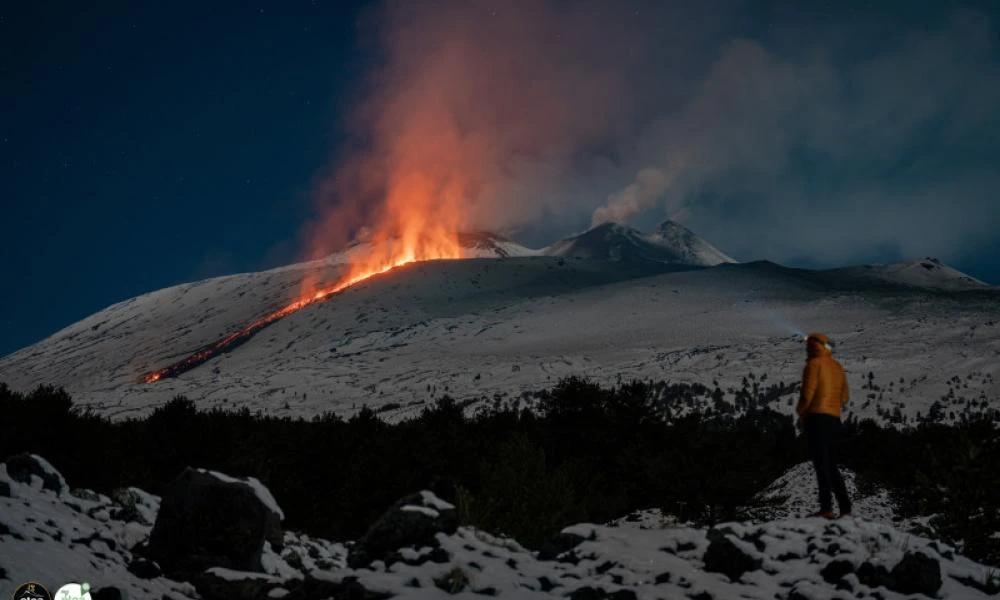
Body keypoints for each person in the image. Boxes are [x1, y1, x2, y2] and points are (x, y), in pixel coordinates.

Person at [796, 332, 852, 519]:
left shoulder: (813, 365)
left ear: (812, 347)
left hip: (816, 419)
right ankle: (845, 509)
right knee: (832, 465)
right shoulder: (837, 366)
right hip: (834, 420)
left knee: (821, 464)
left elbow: (807, 395)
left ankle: (826, 508)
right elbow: (844, 396)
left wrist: (801, 412)